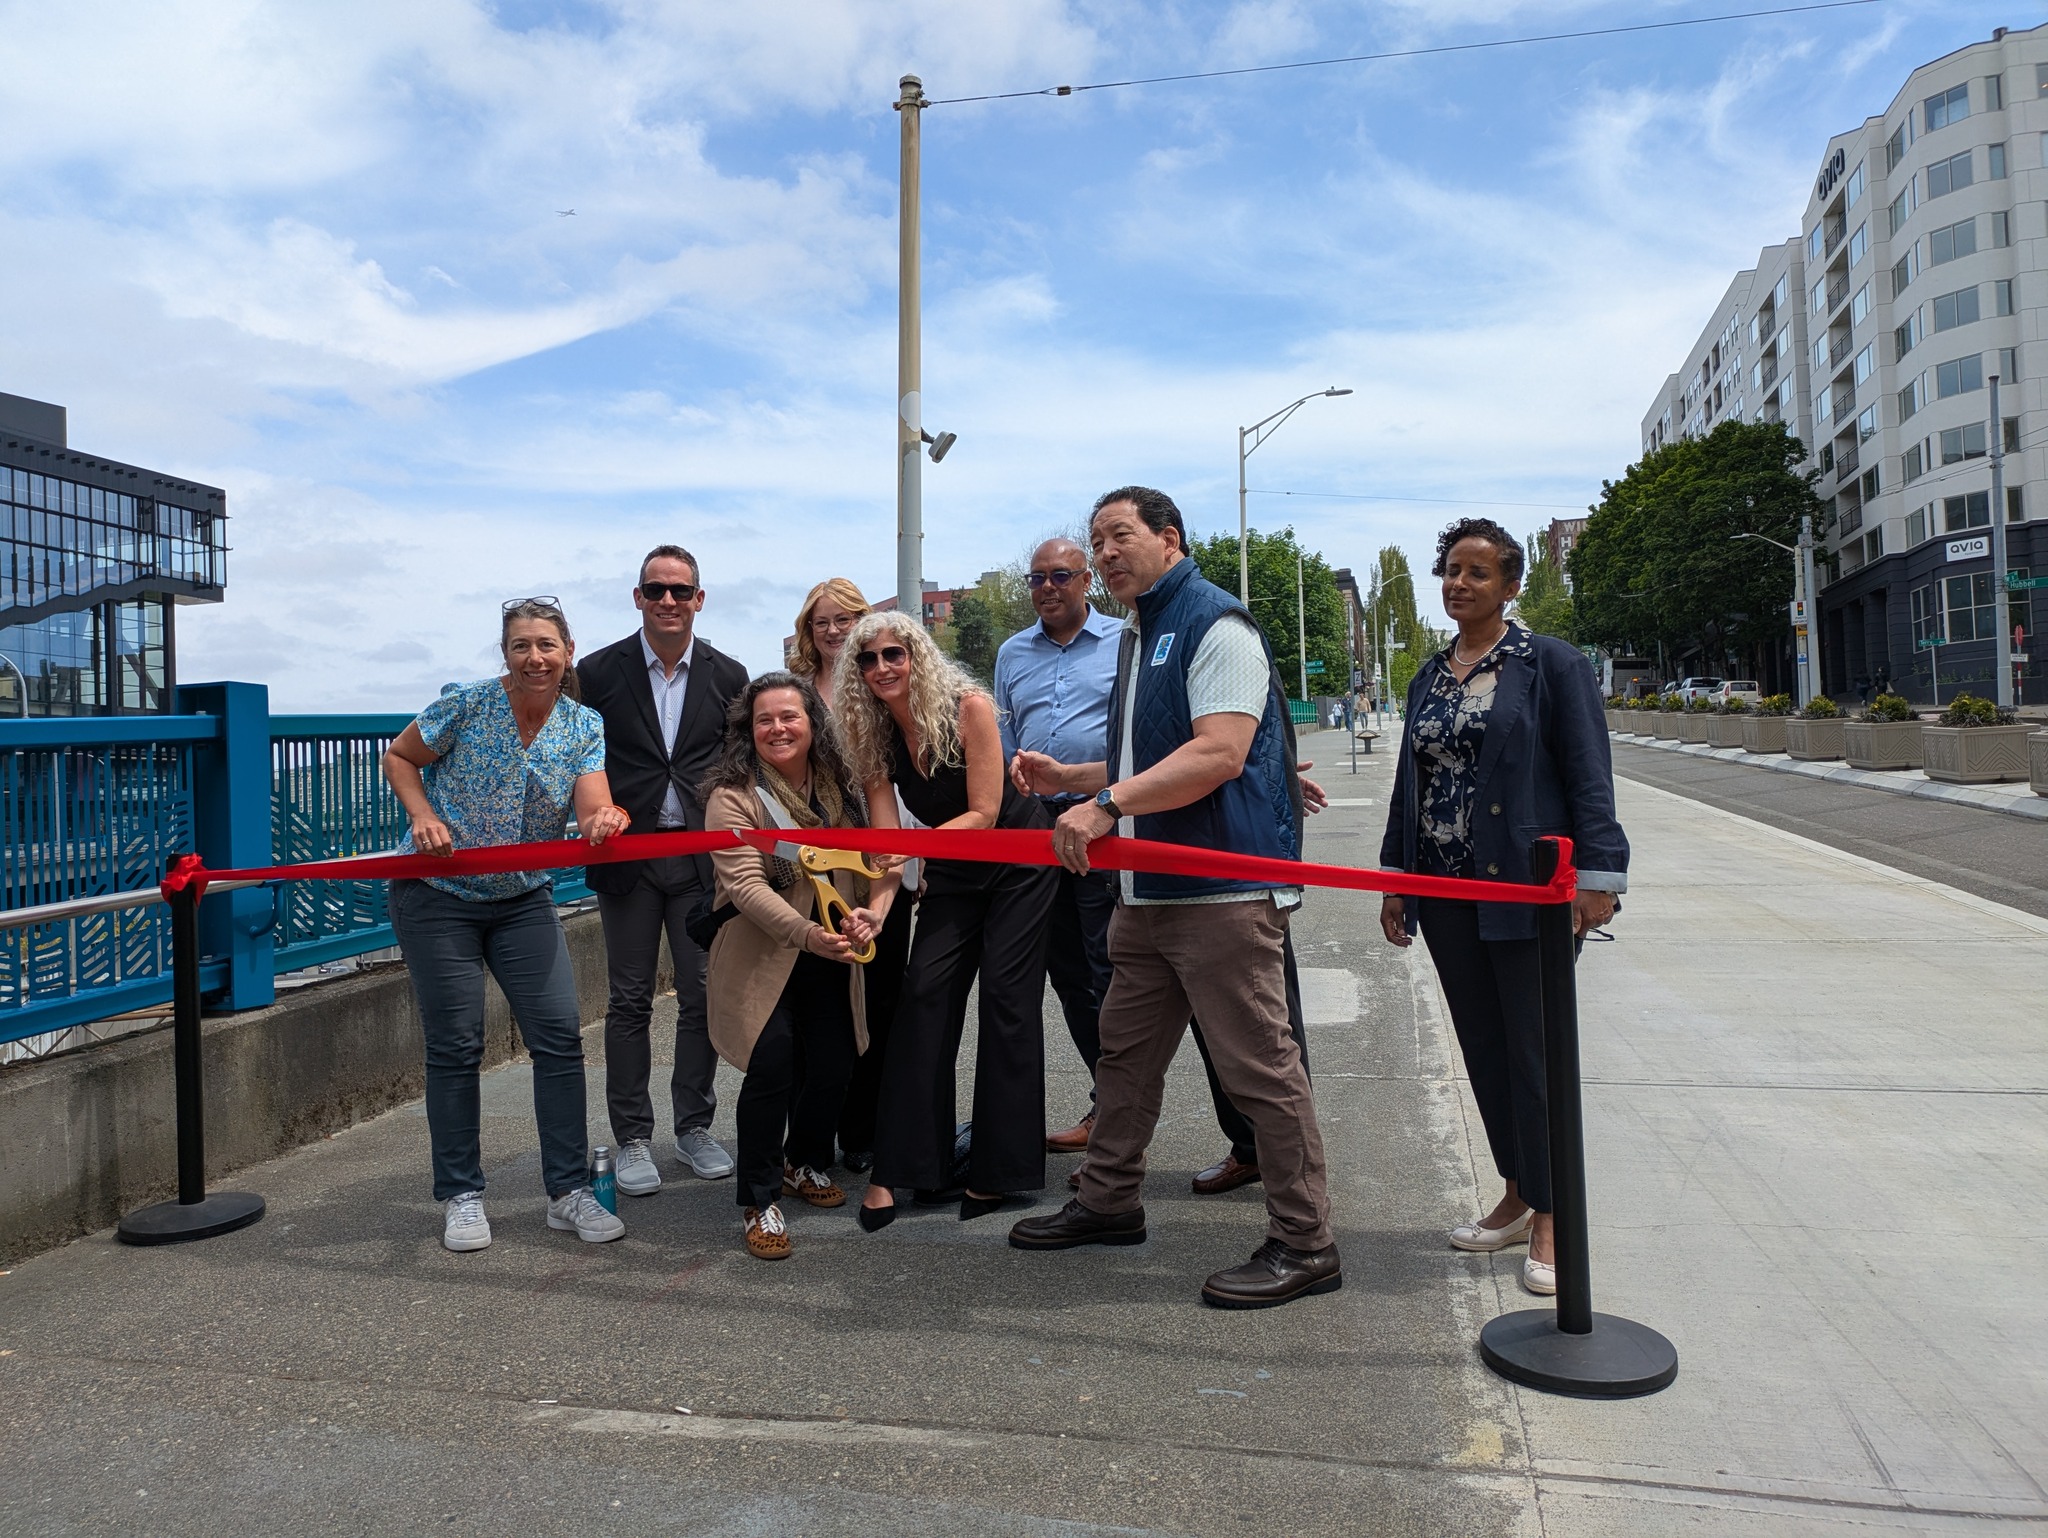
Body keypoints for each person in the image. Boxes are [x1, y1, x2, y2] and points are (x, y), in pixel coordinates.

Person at [1008, 487, 1339, 1311]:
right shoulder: (1140, 633)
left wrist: (1106, 805)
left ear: (1170, 539)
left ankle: (1306, 1243)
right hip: (1149, 892)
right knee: (1124, 1055)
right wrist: (1075, 779)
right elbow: (1145, 754)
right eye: (1097, 540)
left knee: (1260, 1068)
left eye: (1121, 535)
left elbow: (1219, 753)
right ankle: (1108, 1200)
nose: (1106, 552)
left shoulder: (1213, 622)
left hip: (1219, 887)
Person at [1376, 518, 1627, 1297]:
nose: (1460, 584)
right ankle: (1517, 1193)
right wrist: (1397, 877)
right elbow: (1410, 785)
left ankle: (1553, 1218)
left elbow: (1589, 770)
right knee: (1484, 1051)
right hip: (1449, 895)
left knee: (1534, 1054)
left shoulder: (1551, 665)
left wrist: (1600, 874)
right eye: (1451, 570)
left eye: (1478, 573)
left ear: (1511, 585)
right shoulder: (1428, 676)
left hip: (1526, 892)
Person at [382, 597, 633, 1253]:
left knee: (557, 1035)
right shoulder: (466, 705)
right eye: (522, 645)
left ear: (568, 651)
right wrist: (420, 816)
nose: (535, 657)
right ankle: (462, 1195)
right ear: (506, 654)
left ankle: (567, 1191)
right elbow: (400, 757)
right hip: (438, 894)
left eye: (547, 644)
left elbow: (594, 797)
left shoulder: (582, 724)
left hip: (522, 897)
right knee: (457, 1044)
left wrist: (604, 819)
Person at [836, 610, 1059, 1227]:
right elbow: (886, 843)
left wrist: (910, 851)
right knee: (923, 998)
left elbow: (985, 814)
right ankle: (902, 1168)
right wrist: (879, 908)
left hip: (1016, 858)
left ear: (917, 657)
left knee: (1007, 1004)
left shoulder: (969, 708)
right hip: (951, 865)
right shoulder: (873, 735)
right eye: (868, 659)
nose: (881, 668)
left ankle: (1000, 1169)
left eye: (893, 654)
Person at [702, 672, 898, 1260]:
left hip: (831, 953)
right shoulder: (732, 797)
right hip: (765, 955)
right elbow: (744, 887)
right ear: (748, 730)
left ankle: (803, 1161)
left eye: (790, 717)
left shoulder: (842, 790)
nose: (778, 728)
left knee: (835, 1066)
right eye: (764, 720)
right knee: (771, 1068)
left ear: (813, 724)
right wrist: (810, 934)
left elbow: (879, 861)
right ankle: (758, 1199)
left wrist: (873, 914)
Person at [576, 545, 751, 1194]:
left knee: (703, 995)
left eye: (681, 590)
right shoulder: (596, 672)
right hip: (626, 858)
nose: (669, 601)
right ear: (638, 597)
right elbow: (572, 752)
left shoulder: (730, 674)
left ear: (700, 599)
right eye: (656, 590)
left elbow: (742, 763)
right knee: (626, 1002)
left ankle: (694, 1127)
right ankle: (631, 1138)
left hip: (701, 862)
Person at [992, 537, 1124, 1153]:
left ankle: (1124, 1123)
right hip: (1035, 833)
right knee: (1066, 975)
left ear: (1087, 580)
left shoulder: (1127, 643)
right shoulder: (1012, 654)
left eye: (1062, 575)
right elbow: (1002, 742)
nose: (1048, 587)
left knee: (1109, 975)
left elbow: (1146, 742)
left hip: (1104, 823)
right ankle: (1107, 1109)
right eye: (1037, 578)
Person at [788, 576, 911, 1175]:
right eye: (821, 621)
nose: (834, 630)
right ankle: (813, 1134)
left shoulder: (883, 683)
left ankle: (865, 1130)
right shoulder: (793, 693)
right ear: (807, 632)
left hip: (884, 868)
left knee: (882, 1003)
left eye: (845, 619)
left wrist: (917, 858)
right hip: (816, 875)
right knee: (822, 1007)